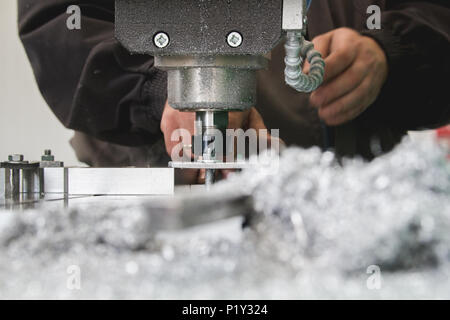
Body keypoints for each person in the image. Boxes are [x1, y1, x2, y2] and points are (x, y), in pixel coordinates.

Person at [18, 0, 450, 177]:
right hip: (151, 199)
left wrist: (389, 50)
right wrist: (159, 90)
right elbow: (60, 18)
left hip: (353, 214)